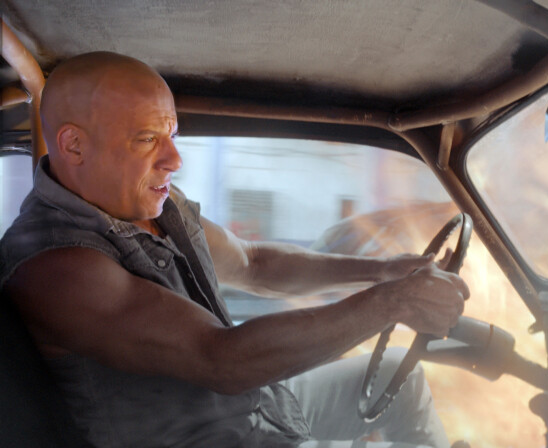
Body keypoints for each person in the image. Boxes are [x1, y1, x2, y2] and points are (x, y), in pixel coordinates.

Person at [0, 51, 470, 448]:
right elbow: (221, 359)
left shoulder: (155, 202)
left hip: (259, 408)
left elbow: (254, 263)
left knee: (401, 376)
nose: (174, 160)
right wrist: (393, 303)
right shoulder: (55, 267)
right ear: (73, 146)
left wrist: (383, 272)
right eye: (146, 140)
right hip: (214, 437)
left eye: (172, 136)